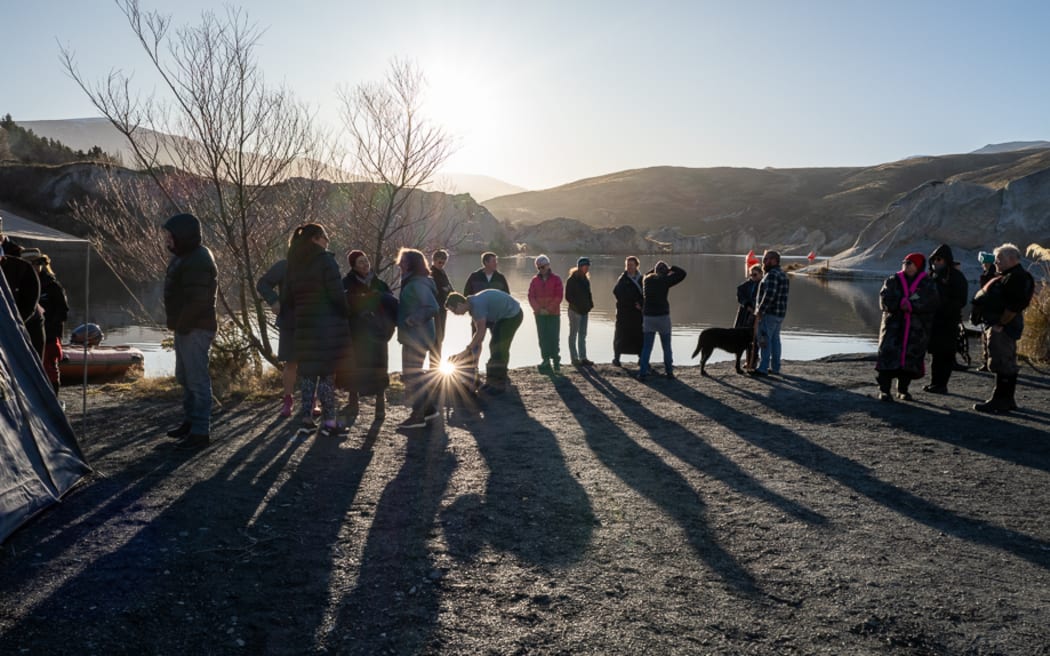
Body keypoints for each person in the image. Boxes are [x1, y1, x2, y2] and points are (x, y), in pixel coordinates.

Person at [287, 224, 350, 437]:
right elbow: (336, 293)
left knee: (307, 373)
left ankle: (306, 419)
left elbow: (290, 296)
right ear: (315, 238)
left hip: (304, 324)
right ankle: (330, 422)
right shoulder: (325, 261)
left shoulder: (295, 263)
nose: (327, 242)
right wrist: (345, 311)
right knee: (326, 374)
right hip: (325, 325)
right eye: (325, 238)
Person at [162, 212, 218, 448]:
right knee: (184, 377)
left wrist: (183, 324)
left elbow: (199, 300)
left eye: (170, 236)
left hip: (196, 328)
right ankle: (189, 421)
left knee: (197, 380)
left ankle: (200, 431)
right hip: (185, 326)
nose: (167, 240)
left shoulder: (199, 260)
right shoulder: (184, 257)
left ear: (183, 236)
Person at [971, 243, 1035, 414]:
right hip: (1002, 324)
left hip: (1004, 327)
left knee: (1002, 361)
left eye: (999, 260)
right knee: (1005, 361)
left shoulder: (1017, 277)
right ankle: (1007, 399)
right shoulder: (1009, 275)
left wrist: (1001, 323)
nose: (996, 263)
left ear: (1012, 259)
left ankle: (1000, 399)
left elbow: (1014, 305)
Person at [340, 250, 396, 420]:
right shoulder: (346, 283)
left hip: (378, 333)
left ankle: (380, 404)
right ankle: (353, 402)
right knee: (354, 366)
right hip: (357, 333)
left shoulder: (379, 283)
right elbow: (342, 306)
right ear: (354, 266)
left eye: (366, 261)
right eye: (360, 262)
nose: (365, 265)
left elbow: (391, 305)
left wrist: (388, 329)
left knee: (379, 367)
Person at [875, 253, 939, 401]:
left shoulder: (927, 283)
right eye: (905, 262)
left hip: (916, 330)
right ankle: (884, 390)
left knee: (909, 360)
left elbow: (932, 302)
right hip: (893, 329)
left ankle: (903, 390)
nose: (906, 265)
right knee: (887, 358)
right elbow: (884, 300)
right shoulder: (892, 280)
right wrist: (900, 304)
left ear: (918, 265)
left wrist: (912, 305)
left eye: (910, 263)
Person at [256, 230, 304, 418]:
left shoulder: (317, 266)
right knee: (291, 363)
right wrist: (274, 300)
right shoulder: (284, 266)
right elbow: (263, 284)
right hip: (289, 321)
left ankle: (312, 400)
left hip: (312, 321)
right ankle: (288, 400)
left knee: (312, 363)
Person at [446, 289, 523, 393]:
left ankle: (499, 384)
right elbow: (478, 335)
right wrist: (472, 354)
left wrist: (466, 351)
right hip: (503, 317)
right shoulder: (472, 305)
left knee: (499, 347)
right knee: (494, 345)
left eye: (454, 311)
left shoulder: (477, 305)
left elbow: (481, 333)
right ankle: (492, 382)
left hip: (513, 315)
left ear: (459, 304)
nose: (455, 314)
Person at [396, 248, 440, 429]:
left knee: (411, 374)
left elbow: (432, 307)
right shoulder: (411, 281)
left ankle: (418, 416)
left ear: (412, 264)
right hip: (413, 336)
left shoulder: (418, 283)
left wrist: (412, 319)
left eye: (403, 261)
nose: (399, 264)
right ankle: (429, 410)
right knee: (414, 373)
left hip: (417, 337)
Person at [923, 244, 968, 394]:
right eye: (934, 259)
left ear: (946, 260)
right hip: (933, 322)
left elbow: (961, 300)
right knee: (935, 354)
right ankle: (934, 382)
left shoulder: (956, 277)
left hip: (948, 322)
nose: (936, 262)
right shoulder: (931, 276)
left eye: (940, 259)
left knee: (945, 354)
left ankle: (942, 384)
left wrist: (941, 305)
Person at [638, 261, 687, 380]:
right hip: (663, 317)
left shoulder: (646, 280)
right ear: (665, 272)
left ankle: (642, 373)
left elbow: (646, 274)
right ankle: (669, 372)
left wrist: (655, 269)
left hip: (648, 317)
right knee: (666, 346)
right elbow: (682, 273)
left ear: (654, 271)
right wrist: (671, 268)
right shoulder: (666, 281)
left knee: (647, 347)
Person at [29, 252, 69, 395]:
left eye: (36, 264)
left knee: (50, 368)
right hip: (29, 333)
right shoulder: (24, 284)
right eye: (31, 264)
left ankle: (54, 398)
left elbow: (63, 311)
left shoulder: (52, 286)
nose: (34, 267)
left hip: (49, 335)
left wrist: (50, 327)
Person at [751, 250, 790, 376]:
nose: (763, 261)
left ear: (774, 260)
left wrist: (760, 311)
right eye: (764, 258)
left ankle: (763, 369)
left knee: (764, 340)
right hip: (780, 313)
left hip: (769, 313)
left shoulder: (772, 274)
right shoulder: (783, 274)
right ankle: (775, 368)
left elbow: (769, 295)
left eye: (766, 259)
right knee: (775, 340)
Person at [527, 254, 563, 373]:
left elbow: (559, 296)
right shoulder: (534, 280)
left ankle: (556, 362)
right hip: (539, 315)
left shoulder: (556, 279)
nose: (541, 270)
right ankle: (545, 360)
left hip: (553, 314)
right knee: (542, 338)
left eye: (543, 267)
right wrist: (538, 309)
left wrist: (548, 309)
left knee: (553, 337)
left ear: (548, 265)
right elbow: (531, 296)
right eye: (539, 268)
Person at [612, 256, 644, 367]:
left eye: (631, 265)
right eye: (627, 265)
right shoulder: (622, 279)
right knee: (620, 335)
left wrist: (641, 303)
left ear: (636, 266)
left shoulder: (642, 279)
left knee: (639, 335)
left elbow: (646, 294)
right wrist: (630, 302)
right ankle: (616, 358)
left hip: (637, 314)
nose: (629, 267)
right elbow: (617, 292)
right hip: (624, 313)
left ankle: (641, 358)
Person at [564, 257, 594, 366]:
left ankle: (583, 357)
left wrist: (590, 305)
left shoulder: (586, 279)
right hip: (574, 312)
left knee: (582, 335)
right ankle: (574, 358)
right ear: (580, 266)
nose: (587, 268)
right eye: (586, 266)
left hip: (584, 311)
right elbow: (568, 297)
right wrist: (577, 306)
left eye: (588, 266)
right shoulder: (571, 280)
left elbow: (588, 294)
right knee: (573, 335)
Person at [429, 249, 453, 365]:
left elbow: (449, 288)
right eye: (440, 261)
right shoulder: (430, 273)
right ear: (434, 260)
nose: (442, 263)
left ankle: (436, 364)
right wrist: (445, 290)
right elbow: (436, 291)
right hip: (435, 310)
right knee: (436, 339)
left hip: (443, 309)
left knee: (441, 337)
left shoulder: (443, 273)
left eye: (444, 261)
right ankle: (434, 366)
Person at [974, 251, 997, 372]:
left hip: (990, 311)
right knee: (987, 338)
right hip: (988, 310)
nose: (982, 265)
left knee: (989, 338)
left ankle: (989, 362)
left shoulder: (990, 276)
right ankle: (988, 361)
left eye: (983, 263)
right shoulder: (990, 274)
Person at [735, 264, 762, 329]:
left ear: (761, 274)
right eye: (751, 275)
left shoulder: (763, 284)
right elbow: (740, 297)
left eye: (755, 275)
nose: (753, 277)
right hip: (744, 312)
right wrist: (746, 305)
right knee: (740, 331)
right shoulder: (744, 286)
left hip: (757, 312)